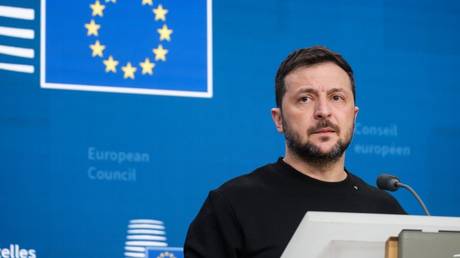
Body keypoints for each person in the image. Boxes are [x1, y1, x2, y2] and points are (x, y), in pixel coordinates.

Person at [184, 46, 406, 258]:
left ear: (354, 116)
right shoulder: (232, 205)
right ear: (279, 119)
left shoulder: (387, 211)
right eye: (305, 99)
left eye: (336, 97)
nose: (323, 112)